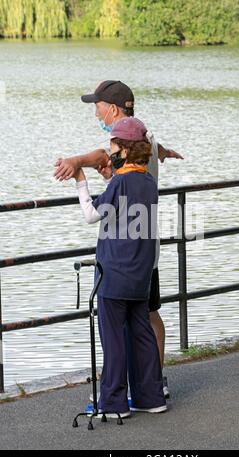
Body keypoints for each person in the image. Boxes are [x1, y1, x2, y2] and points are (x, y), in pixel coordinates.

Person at [54, 80, 184, 398]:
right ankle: (151, 383)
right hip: (144, 248)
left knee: (133, 317)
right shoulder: (144, 137)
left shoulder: (123, 140)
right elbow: (151, 151)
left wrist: (75, 163)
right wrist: (164, 154)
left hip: (129, 253)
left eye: (97, 108)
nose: (95, 114)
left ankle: (133, 385)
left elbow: (100, 155)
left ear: (111, 109)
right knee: (145, 314)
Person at [74, 117, 167, 417]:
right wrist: (109, 179)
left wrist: (80, 181)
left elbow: (92, 215)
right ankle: (151, 397)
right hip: (140, 274)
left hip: (114, 274)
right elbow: (125, 209)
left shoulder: (121, 180)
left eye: (113, 144)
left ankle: (114, 402)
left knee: (113, 339)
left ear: (124, 150)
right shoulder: (147, 181)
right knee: (141, 336)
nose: (110, 148)